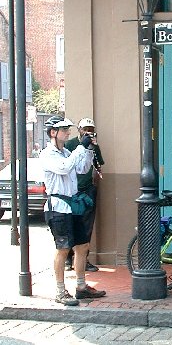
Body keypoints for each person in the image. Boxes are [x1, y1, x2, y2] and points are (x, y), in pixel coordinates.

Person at [40, 115, 106, 306]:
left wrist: (87, 149)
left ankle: (81, 287)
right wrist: (79, 147)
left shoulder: (67, 153)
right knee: (63, 248)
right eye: (64, 130)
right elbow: (64, 168)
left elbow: (82, 168)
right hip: (58, 207)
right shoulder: (48, 154)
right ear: (53, 133)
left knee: (82, 246)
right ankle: (60, 291)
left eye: (68, 129)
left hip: (73, 205)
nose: (68, 132)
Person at [64, 118, 104, 272]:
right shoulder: (71, 144)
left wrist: (93, 147)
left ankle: (83, 259)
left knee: (86, 226)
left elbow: (99, 163)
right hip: (72, 190)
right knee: (69, 223)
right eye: (85, 129)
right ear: (79, 130)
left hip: (87, 189)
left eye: (91, 129)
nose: (88, 132)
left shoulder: (94, 146)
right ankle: (68, 258)